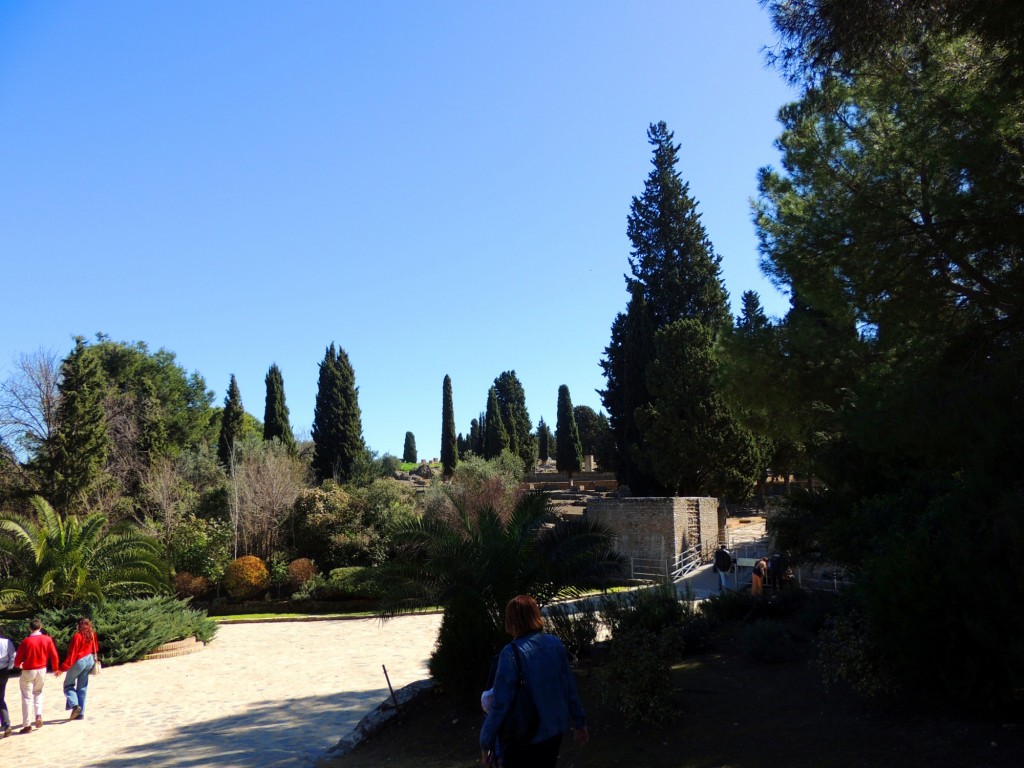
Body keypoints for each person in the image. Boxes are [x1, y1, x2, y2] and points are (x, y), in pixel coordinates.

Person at [480, 595, 588, 768]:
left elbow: (501, 703)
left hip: (525, 734)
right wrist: (579, 722)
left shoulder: (510, 653)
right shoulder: (556, 645)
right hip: (554, 731)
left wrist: (486, 742)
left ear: (512, 620)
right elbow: (569, 688)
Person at [13, 617, 61, 734]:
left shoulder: (25, 641)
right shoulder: (47, 639)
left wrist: (19, 665)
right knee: (38, 692)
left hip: (28, 670)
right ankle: (38, 715)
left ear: (30, 628)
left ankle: (27, 725)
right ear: (41, 627)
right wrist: (55, 669)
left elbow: (17, 660)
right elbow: (54, 655)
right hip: (42, 669)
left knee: (27, 697)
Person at [60, 617, 100, 721]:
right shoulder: (92, 634)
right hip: (90, 660)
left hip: (79, 661)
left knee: (68, 685)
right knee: (82, 687)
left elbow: (72, 654)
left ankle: (74, 705)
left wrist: (62, 668)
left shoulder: (77, 636)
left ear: (79, 625)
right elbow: (96, 647)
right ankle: (81, 713)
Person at [0, 628, 17, 738]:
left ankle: (6, 723)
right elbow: (13, 656)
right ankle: (6, 724)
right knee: (1, 698)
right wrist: (9, 668)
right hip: (4, 672)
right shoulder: (7, 642)